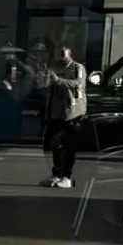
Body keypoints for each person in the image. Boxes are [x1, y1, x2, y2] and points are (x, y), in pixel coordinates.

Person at [39, 46, 87, 188]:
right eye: (59, 55)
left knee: (69, 145)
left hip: (72, 112)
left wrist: (59, 80)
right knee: (54, 143)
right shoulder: (54, 68)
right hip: (56, 111)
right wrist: (45, 77)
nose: (61, 58)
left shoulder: (77, 68)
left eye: (63, 55)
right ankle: (56, 174)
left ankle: (67, 177)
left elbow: (77, 83)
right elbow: (46, 86)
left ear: (70, 54)